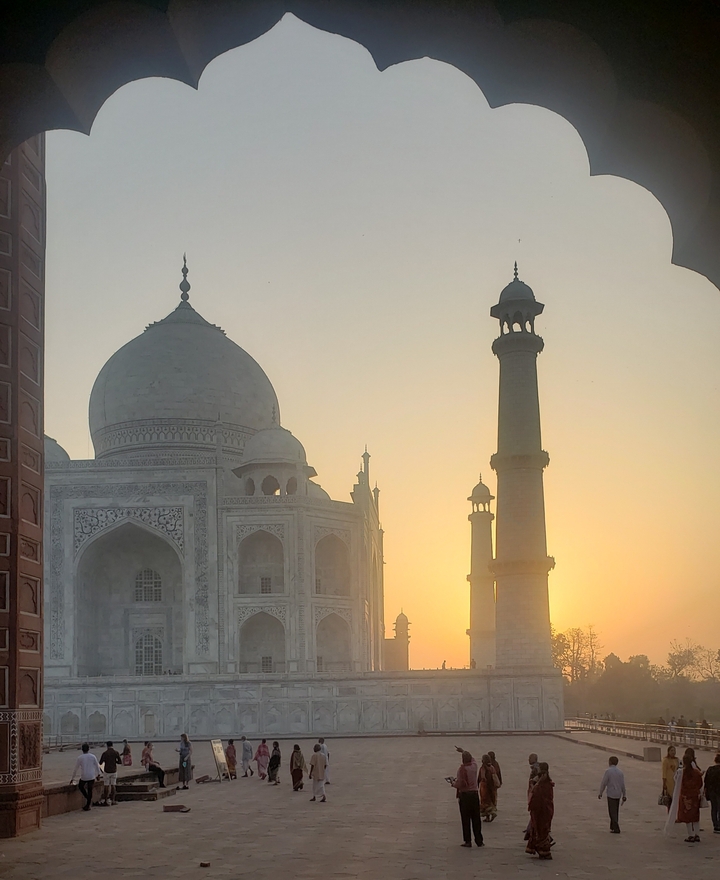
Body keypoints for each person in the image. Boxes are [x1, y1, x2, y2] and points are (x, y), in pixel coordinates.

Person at [666, 753, 704, 841]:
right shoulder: (696, 772)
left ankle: (690, 834)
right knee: (695, 815)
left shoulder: (681, 772)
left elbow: (675, 779)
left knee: (687, 816)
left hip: (685, 797)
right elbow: (700, 783)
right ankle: (697, 834)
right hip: (694, 796)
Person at [452, 750, 483, 847]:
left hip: (465, 796)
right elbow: (473, 759)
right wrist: (463, 751)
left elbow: (460, 784)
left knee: (465, 819)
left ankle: (468, 840)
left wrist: (453, 783)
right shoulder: (474, 766)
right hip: (474, 795)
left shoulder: (461, 770)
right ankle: (479, 840)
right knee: (476, 818)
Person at [526, 762, 554, 860]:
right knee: (538, 830)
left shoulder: (545, 785)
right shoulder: (540, 784)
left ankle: (544, 850)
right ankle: (541, 849)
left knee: (541, 830)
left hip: (543, 811)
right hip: (540, 810)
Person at [598, 756, 627, 833]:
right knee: (616, 810)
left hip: (611, 794)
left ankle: (616, 827)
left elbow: (604, 783)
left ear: (610, 762)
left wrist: (600, 793)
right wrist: (624, 795)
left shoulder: (608, 771)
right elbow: (622, 784)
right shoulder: (620, 772)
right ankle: (612, 826)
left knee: (612, 811)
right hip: (618, 794)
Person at [70, 743, 101, 811]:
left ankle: (87, 799)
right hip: (91, 776)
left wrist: (72, 778)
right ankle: (88, 802)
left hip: (84, 776)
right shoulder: (93, 756)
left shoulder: (80, 758)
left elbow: (76, 769)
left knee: (81, 786)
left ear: (82, 749)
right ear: (88, 749)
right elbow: (97, 766)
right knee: (90, 790)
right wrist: (98, 774)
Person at [523, 753, 541, 840]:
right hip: (533, 792)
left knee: (534, 811)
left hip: (534, 794)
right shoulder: (535, 768)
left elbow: (537, 780)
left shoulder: (536, 769)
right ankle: (529, 827)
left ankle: (531, 828)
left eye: (530, 758)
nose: (528, 760)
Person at [99, 740, 122, 806]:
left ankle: (106, 800)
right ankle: (113, 800)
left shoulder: (105, 753)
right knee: (113, 785)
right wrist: (115, 761)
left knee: (106, 786)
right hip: (114, 770)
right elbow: (120, 762)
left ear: (107, 746)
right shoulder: (116, 752)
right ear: (112, 745)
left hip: (107, 771)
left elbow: (100, 763)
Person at [479, 754, 500, 822]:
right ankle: (492, 813)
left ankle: (488, 816)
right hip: (492, 787)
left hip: (485, 787)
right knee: (491, 800)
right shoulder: (492, 767)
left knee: (485, 802)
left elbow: (482, 777)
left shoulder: (483, 768)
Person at [703, 752, 720, 834]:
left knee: (714, 808)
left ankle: (715, 826)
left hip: (712, 792)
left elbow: (706, 781)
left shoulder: (710, 769)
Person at [661, 745, 679, 811]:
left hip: (676, 782)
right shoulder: (665, 760)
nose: (673, 752)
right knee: (670, 800)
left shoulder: (676, 760)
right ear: (668, 752)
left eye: (674, 750)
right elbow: (664, 772)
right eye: (671, 750)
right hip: (669, 782)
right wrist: (664, 783)